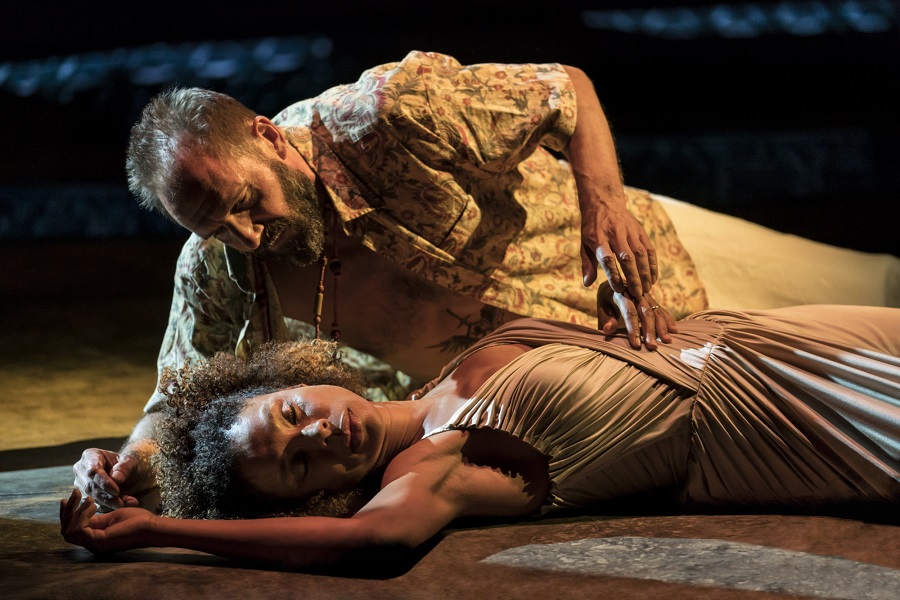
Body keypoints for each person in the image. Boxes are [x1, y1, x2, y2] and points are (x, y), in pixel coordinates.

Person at [75, 51, 711, 512]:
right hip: (513, 412)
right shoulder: (219, 267)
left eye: (245, 203)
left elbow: (564, 89)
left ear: (266, 136)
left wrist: (606, 207)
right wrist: (124, 465)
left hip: (628, 299)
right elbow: (176, 398)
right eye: (216, 228)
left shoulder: (388, 115)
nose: (247, 236)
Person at [61, 304, 900, 569]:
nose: (320, 433)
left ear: (290, 379)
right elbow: (375, 540)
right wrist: (160, 529)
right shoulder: (432, 467)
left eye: (291, 415)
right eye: (302, 464)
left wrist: (126, 461)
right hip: (776, 420)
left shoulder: (442, 377)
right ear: (316, 495)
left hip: (768, 337)